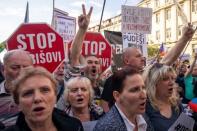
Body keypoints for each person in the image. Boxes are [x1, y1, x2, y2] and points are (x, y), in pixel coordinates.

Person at [101, 23, 195, 112]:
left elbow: (166, 61)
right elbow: (105, 103)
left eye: (142, 56)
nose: (143, 59)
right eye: (138, 56)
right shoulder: (114, 79)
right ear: (127, 61)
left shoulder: (146, 74)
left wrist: (184, 38)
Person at [4, 66, 83, 131]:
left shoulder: (75, 126)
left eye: (45, 90)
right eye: (28, 93)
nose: (37, 98)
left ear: (55, 96)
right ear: (18, 104)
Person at [94, 67, 153, 131]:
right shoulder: (105, 127)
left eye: (143, 88)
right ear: (117, 96)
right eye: (135, 90)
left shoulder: (143, 117)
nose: (144, 96)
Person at [143, 63, 183, 131]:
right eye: (165, 79)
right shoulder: (146, 107)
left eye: (172, 78)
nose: (171, 82)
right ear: (154, 83)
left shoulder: (176, 104)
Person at [0, 49, 33, 127]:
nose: (21, 72)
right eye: (15, 68)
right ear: (3, 70)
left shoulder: (43, 93)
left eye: (26, 67)